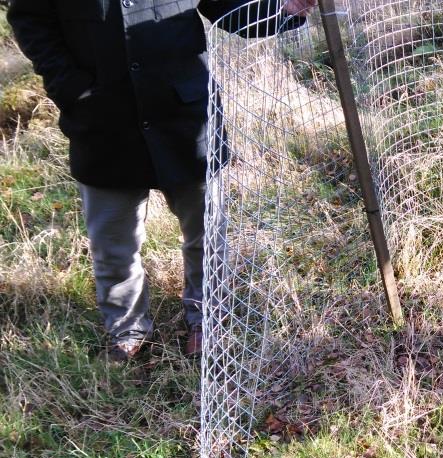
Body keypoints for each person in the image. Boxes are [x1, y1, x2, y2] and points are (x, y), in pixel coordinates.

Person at [7, 0, 317, 361]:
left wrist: (283, 8)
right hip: (101, 121)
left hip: (184, 114)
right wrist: (72, 88)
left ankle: (205, 318)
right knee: (113, 242)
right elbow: (30, 19)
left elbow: (230, 6)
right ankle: (126, 330)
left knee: (206, 229)